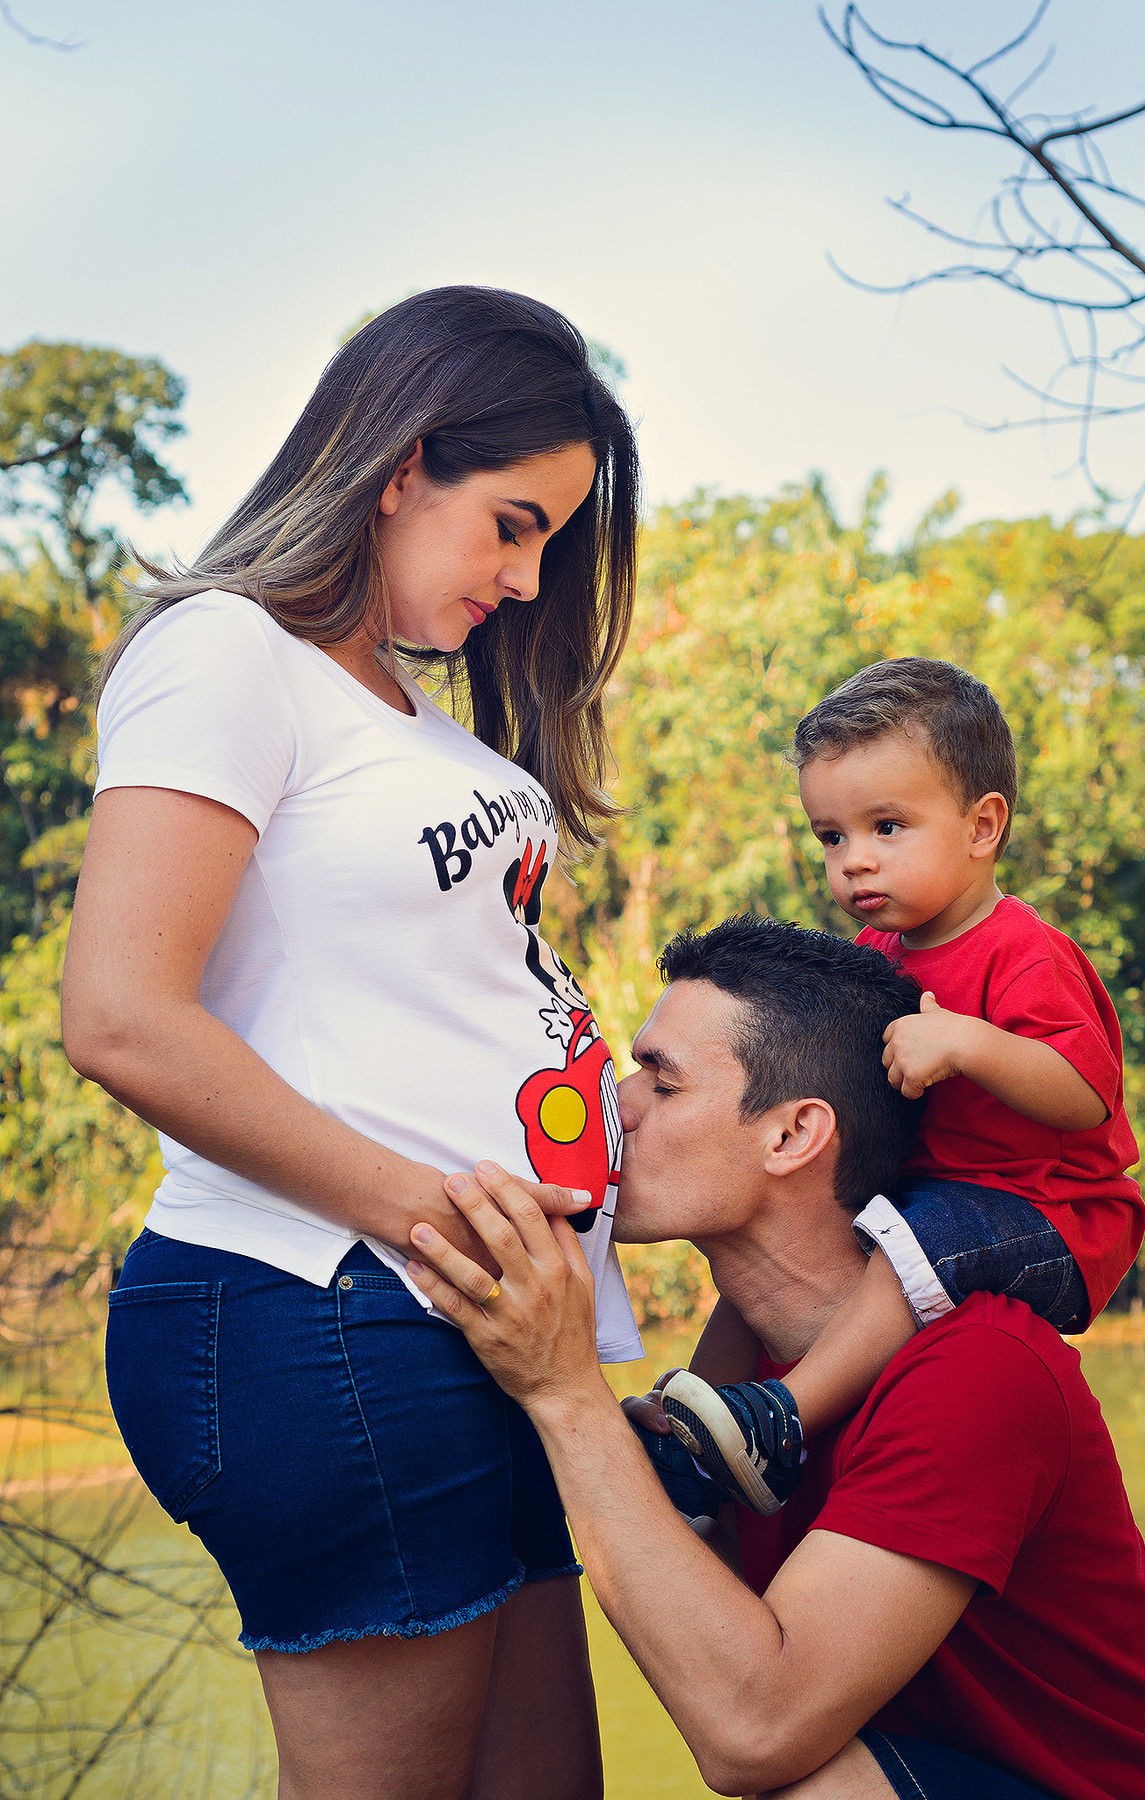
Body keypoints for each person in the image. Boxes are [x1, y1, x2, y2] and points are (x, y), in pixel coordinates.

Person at [60, 287, 644, 1800]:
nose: (527, 578)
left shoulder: (406, 716)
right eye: (511, 525)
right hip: (325, 1300)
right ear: (400, 466)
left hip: (473, 1320)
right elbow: (121, 1015)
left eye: (548, 543)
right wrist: (438, 1217)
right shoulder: (225, 652)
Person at [402, 918, 1145, 1800]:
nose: (615, 1106)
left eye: (661, 1082)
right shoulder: (741, 1378)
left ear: (792, 1135)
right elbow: (720, 1648)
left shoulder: (979, 1369)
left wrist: (564, 1393)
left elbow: (753, 1733)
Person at [658, 659, 1145, 1516]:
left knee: (913, 1238)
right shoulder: (878, 957)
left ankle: (784, 1418)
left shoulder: (1022, 952)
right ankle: (694, 1439)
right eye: (830, 837)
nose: (854, 861)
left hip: (1048, 1214)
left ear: (981, 826)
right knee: (760, 1256)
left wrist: (967, 1042)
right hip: (923, 1197)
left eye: (886, 827)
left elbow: (1086, 1095)